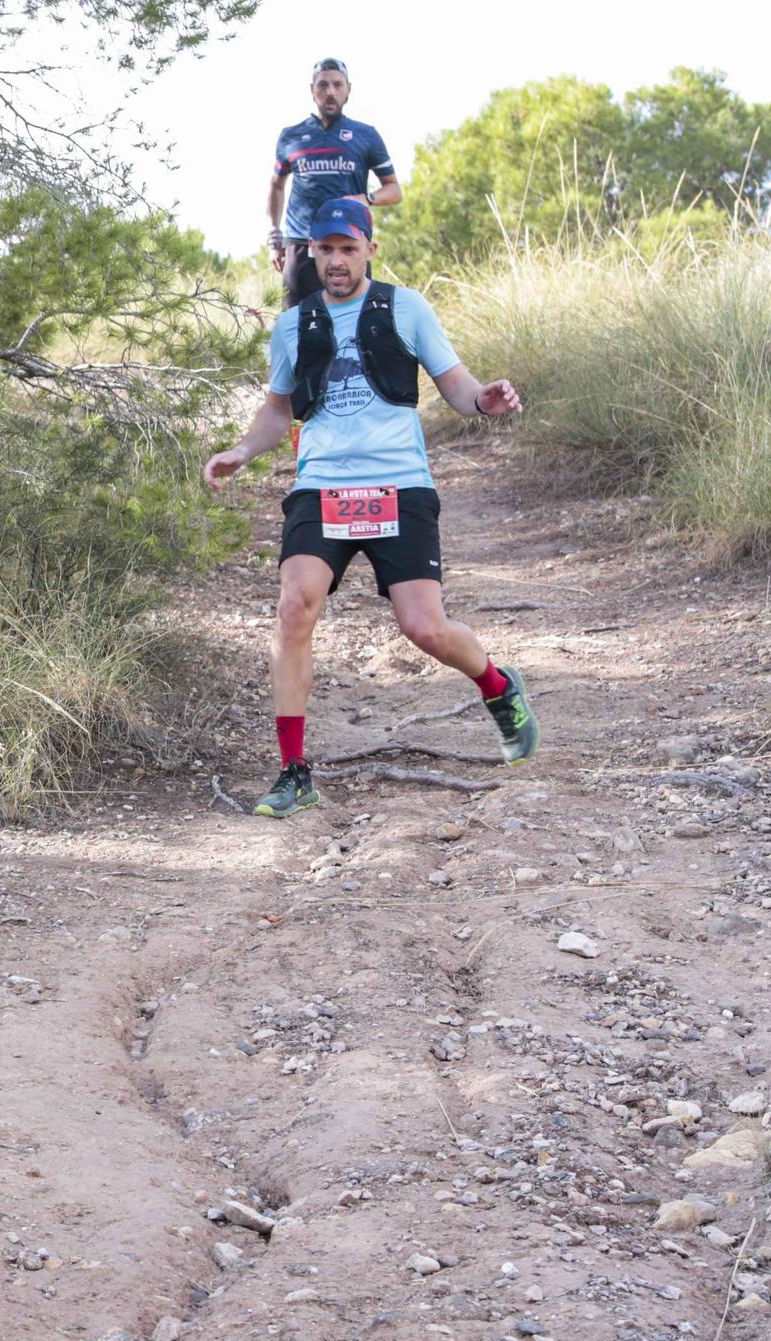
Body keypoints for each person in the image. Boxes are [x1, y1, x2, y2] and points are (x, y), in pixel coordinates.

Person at [203, 198, 539, 818]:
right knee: (295, 605)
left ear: (368, 251)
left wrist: (484, 399)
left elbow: (456, 386)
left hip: (399, 483)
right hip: (322, 485)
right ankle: (294, 771)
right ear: (309, 253)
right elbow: (279, 410)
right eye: (324, 249)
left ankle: (498, 688)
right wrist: (243, 450)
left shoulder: (405, 307)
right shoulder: (291, 326)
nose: (335, 260)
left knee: (424, 628)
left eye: (347, 249)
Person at [268, 58, 400, 308]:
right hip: (301, 244)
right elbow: (276, 185)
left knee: (353, 324)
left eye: (338, 85)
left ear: (348, 89)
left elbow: (394, 190)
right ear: (312, 90)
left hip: (349, 244)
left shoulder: (366, 135)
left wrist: (367, 198)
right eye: (322, 85)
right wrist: (274, 236)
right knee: (297, 325)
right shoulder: (290, 136)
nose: (330, 92)